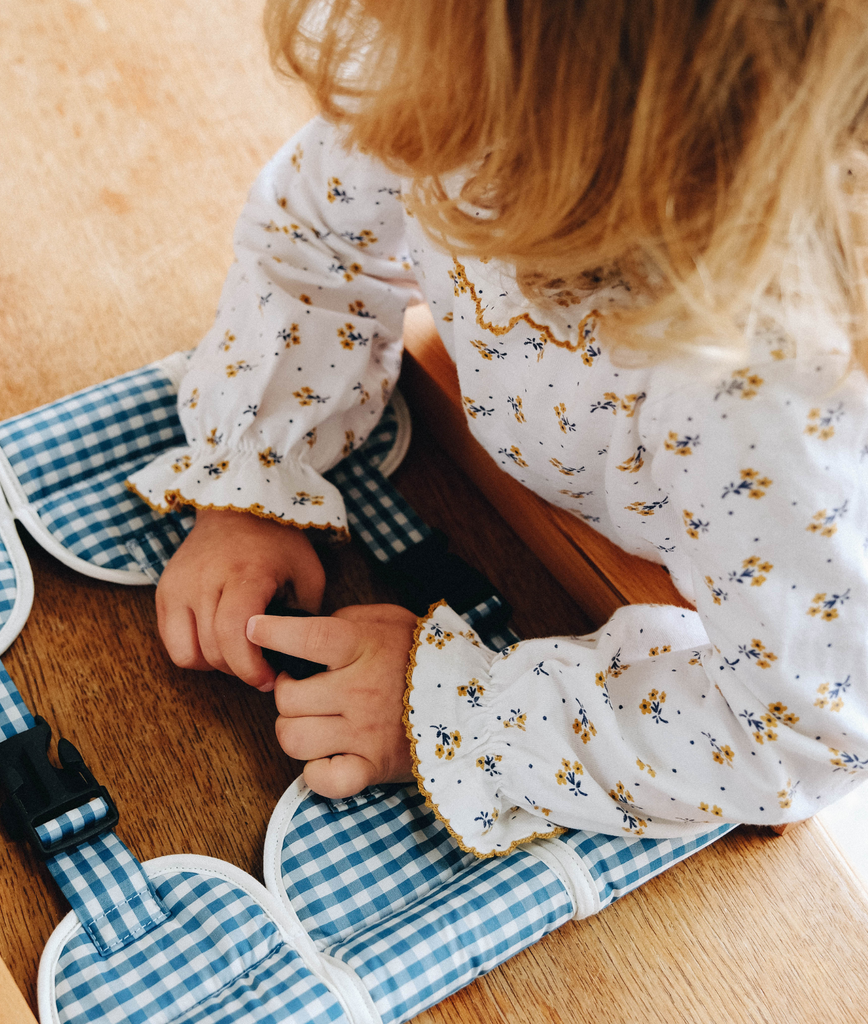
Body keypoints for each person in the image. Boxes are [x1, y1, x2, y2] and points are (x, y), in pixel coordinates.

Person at [128, 0, 868, 855]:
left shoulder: (764, 383)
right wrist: (256, 471)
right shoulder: (455, 71)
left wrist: (456, 711)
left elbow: (808, 731)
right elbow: (315, 241)